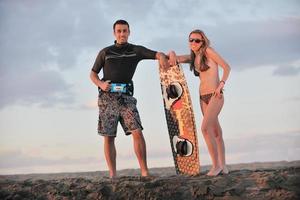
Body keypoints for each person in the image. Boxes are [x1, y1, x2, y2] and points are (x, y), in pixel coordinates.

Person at [90, 19, 168, 178]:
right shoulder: (105, 52)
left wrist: (163, 57)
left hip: (127, 98)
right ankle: (113, 174)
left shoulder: (136, 50)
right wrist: (100, 83)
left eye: (124, 31)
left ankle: (145, 171)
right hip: (107, 98)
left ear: (129, 32)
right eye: (118, 31)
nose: (122, 34)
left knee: (137, 131)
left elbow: (156, 54)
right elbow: (93, 73)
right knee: (109, 136)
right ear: (114, 33)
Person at [168, 29, 231, 176]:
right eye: (191, 40)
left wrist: (221, 84)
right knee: (216, 132)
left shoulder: (208, 51)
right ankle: (223, 165)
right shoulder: (193, 57)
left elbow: (226, 67)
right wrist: (170, 52)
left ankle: (216, 166)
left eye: (197, 40)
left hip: (215, 95)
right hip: (202, 97)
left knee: (204, 129)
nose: (193, 43)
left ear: (203, 42)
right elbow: (175, 58)